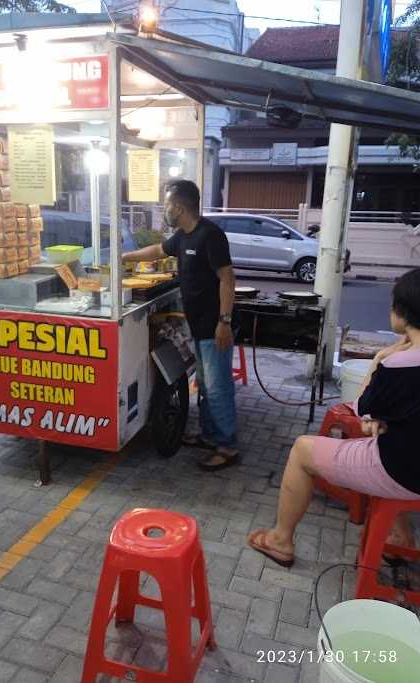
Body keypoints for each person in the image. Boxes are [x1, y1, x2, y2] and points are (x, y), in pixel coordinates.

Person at [248, 268, 420, 567]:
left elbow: (361, 407)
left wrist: (380, 359)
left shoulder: (399, 364)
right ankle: (399, 539)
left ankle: (280, 540)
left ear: (403, 315)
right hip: (410, 459)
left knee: (302, 450)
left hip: (403, 471)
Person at [122, 179, 237, 470]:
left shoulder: (210, 235)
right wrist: (124, 257)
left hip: (214, 326)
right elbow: (158, 251)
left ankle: (227, 446)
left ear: (180, 207)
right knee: (206, 386)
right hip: (198, 326)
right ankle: (210, 436)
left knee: (218, 387)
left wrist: (224, 322)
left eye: (167, 205)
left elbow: (228, 278)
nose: (164, 210)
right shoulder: (183, 236)